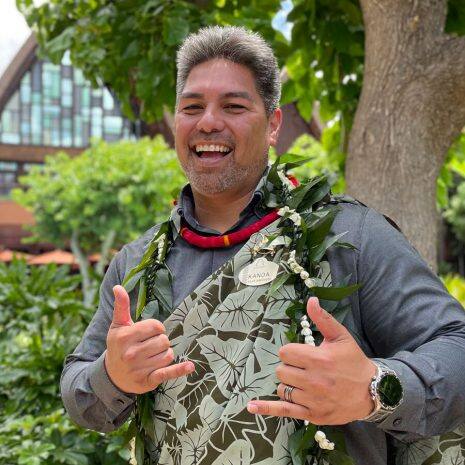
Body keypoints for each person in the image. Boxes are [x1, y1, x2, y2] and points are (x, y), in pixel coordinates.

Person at [61, 26, 465, 465]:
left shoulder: (350, 236)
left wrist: (374, 388)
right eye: (191, 107)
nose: (208, 122)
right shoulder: (139, 263)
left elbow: (456, 344)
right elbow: (79, 390)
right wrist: (112, 375)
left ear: (273, 124)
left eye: (233, 106)